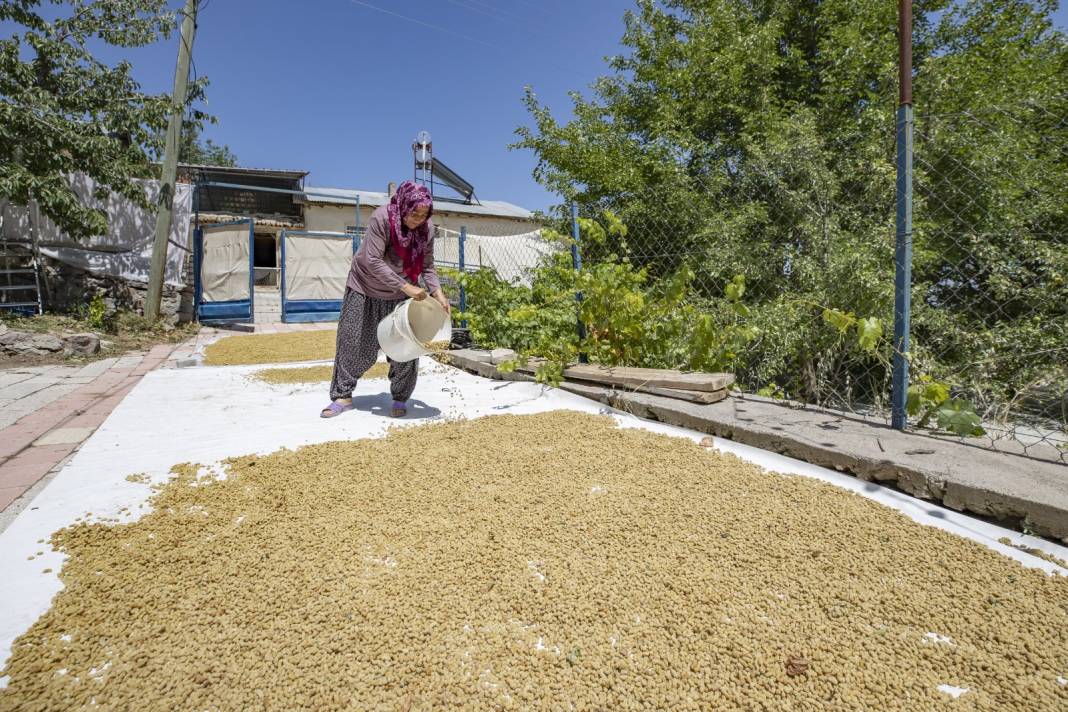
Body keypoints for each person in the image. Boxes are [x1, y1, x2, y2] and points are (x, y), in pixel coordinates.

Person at [321, 181, 449, 419]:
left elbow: (428, 265)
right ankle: (343, 396)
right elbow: (372, 260)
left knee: (406, 344)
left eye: (424, 215)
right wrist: (406, 286)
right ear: (403, 206)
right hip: (365, 286)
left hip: (402, 292)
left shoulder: (427, 229)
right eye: (414, 213)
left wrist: (437, 293)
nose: (418, 219)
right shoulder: (382, 219)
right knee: (353, 341)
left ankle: (400, 397)